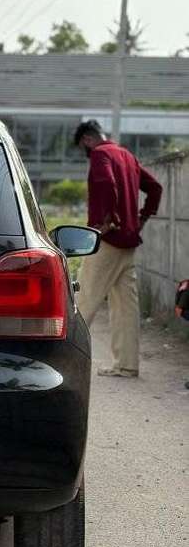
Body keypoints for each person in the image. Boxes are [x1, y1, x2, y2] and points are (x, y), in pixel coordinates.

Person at [73, 119, 162, 378]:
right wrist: (142, 218)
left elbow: (106, 183)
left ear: (87, 139)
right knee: (126, 307)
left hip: (107, 241)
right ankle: (126, 365)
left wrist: (108, 220)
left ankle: (65, 361)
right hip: (128, 242)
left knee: (84, 299)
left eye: (83, 147)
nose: (85, 152)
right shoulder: (127, 156)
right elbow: (155, 188)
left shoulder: (100, 154)